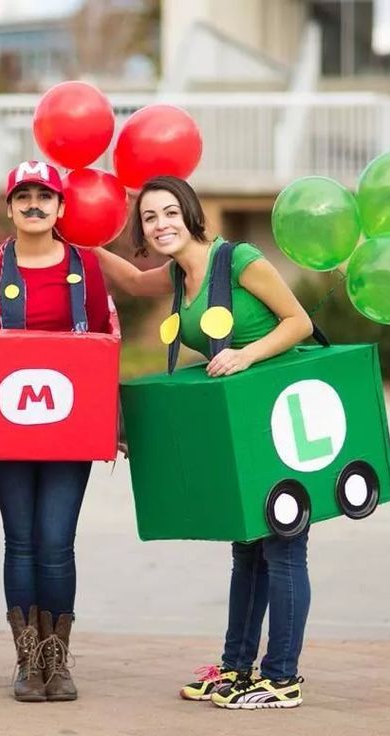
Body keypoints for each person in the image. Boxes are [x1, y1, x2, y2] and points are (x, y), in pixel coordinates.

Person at [95, 175, 314, 709]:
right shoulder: (176, 276)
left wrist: (246, 354)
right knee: (246, 549)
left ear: (190, 214)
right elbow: (128, 278)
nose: (161, 223)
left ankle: (282, 678)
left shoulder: (237, 260)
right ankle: (239, 667)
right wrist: (74, 235)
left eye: (170, 212)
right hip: (237, 424)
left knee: (283, 549)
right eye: (149, 217)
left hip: (278, 415)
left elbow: (299, 322)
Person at [0, 160, 111, 702]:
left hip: (69, 430)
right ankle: (28, 661)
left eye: (44, 196)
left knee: (56, 542)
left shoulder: (86, 267)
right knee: (20, 541)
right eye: (22, 195)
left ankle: (57, 659)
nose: (33, 204)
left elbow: (99, 343)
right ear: (8, 207)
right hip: (7, 429)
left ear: (61, 207)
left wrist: (106, 420)